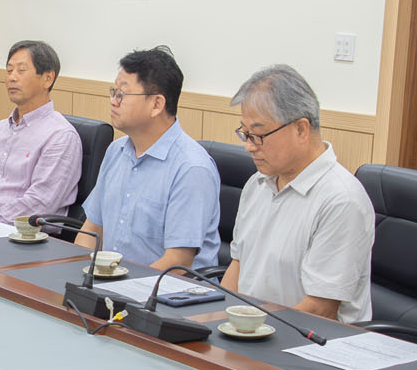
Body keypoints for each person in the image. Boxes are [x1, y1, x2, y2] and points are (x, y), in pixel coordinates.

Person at [220, 64, 374, 323]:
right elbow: (238, 266)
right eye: (245, 134)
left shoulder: (341, 200)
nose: (249, 147)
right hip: (248, 330)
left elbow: (319, 309)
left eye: (258, 135)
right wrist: (216, 321)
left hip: (308, 339)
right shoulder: (257, 184)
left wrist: (247, 329)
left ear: (301, 129)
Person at [77, 46, 220, 270]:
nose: (113, 101)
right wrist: (78, 274)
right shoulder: (116, 151)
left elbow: (178, 262)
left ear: (157, 104)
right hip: (111, 283)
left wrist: (123, 286)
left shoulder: (191, 168)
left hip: (167, 288)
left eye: (122, 94)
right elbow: (91, 230)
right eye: (113, 92)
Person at [0, 40, 82, 222]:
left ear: (48, 79)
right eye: (9, 70)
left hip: (15, 232)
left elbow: (40, 202)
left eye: (21, 70)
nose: (12, 78)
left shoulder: (61, 136)